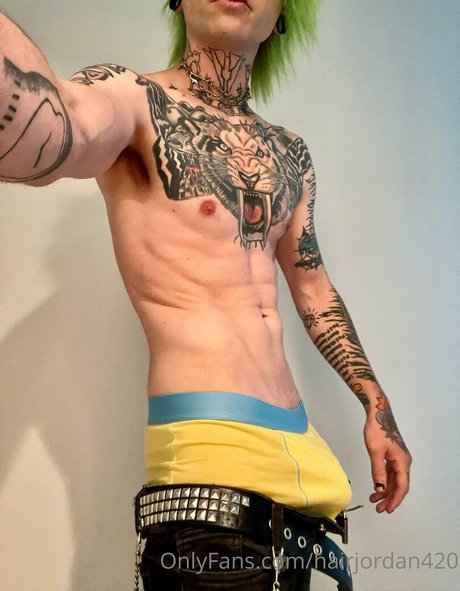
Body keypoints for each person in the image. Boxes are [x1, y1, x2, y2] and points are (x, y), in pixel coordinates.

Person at [0, 0, 412, 589]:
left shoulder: (290, 152)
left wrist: (377, 407)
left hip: (300, 465)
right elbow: (46, 128)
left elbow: (313, 286)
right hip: (209, 462)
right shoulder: (135, 100)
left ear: (283, 17)